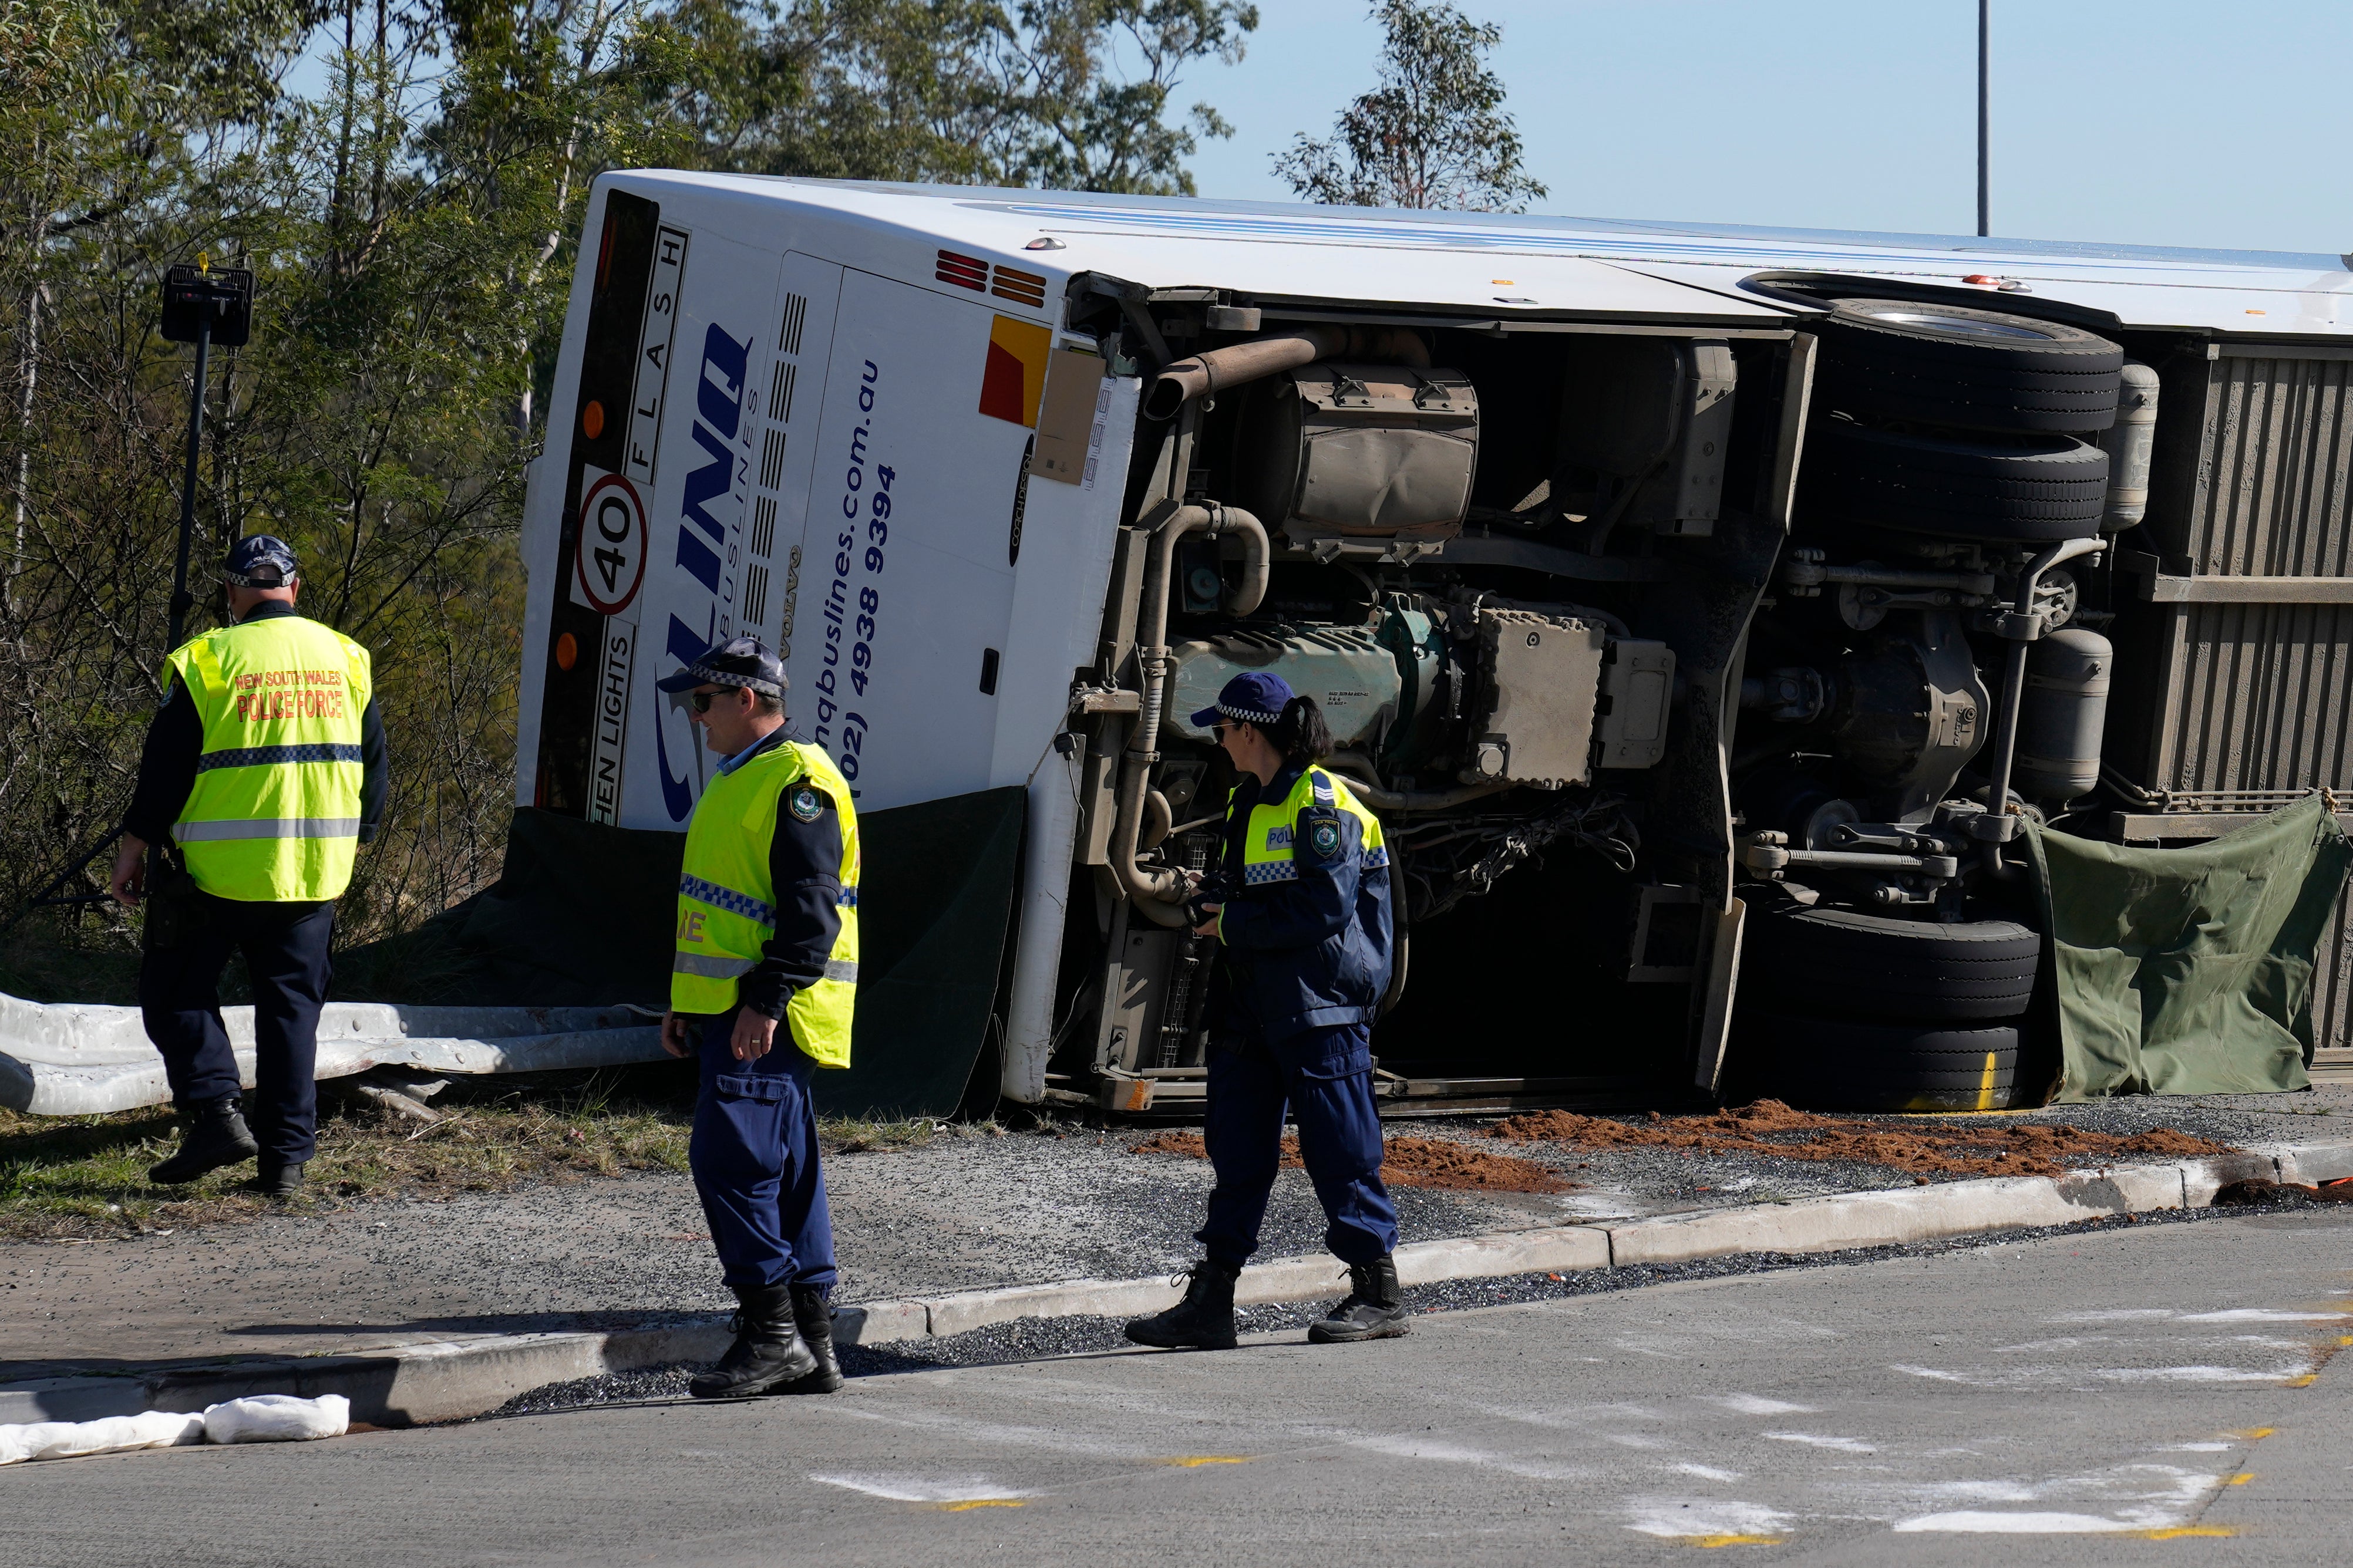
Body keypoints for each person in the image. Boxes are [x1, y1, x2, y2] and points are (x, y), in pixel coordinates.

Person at [1125, 670, 1405, 1352]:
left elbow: (1321, 909)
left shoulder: (1320, 803)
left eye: (1221, 730)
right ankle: (1211, 1300)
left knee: (1340, 1150)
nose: (1218, 742)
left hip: (1321, 1007)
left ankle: (1377, 1293)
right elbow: (1248, 887)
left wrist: (1227, 923)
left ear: (1248, 728)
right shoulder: (1247, 803)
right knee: (1238, 1151)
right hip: (1255, 1005)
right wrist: (1209, 895)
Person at [109, 535, 389, 1196]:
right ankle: (286, 1164)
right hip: (314, 872)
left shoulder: (210, 659)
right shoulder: (346, 657)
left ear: (232, 594)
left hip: (217, 876)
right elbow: (374, 768)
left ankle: (215, 1114)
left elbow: (165, 770)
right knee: (292, 1012)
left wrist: (133, 848)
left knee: (173, 992)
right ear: (294, 589)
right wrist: (359, 836)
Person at [656, 635, 860, 1400]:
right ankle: (812, 1340)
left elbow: (812, 914)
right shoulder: (748, 775)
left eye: (702, 701)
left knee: (730, 1163)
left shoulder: (794, 780)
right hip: (736, 1008)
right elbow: (724, 906)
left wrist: (763, 1000)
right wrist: (691, 1001)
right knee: (788, 1175)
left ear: (747, 700)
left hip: (768, 1014)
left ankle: (770, 1333)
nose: (694, 716)